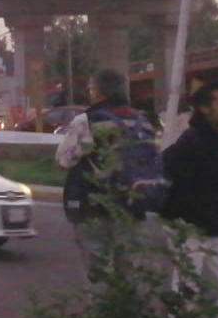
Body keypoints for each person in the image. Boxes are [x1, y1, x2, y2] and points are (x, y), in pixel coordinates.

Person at [57, 68, 152, 279]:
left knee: (97, 270)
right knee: (129, 272)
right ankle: (127, 309)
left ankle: (103, 310)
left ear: (99, 92)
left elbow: (64, 159)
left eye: (91, 88)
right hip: (131, 204)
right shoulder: (142, 120)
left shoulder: (88, 120)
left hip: (94, 203)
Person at [160, 80, 218, 318]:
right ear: (204, 108)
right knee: (187, 284)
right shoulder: (189, 144)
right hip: (188, 225)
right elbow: (178, 187)